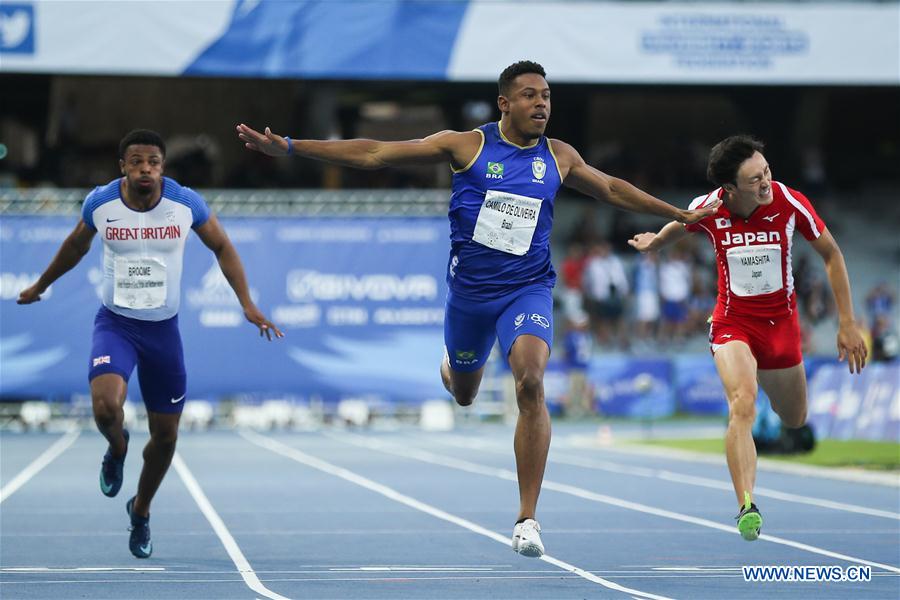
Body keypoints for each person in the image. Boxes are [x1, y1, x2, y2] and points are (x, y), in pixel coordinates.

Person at [236, 60, 718, 557]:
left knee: (531, 382)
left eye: (547, 96)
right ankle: (454, 365)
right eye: (530, 95)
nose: (542, 104)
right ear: (505, 104)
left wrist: (676, 213)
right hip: (470, 296)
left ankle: (527, 518)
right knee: (464, 394)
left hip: (527, 290)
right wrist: (292, 146)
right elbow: (376, 152)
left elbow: (613, 188)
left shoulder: (560, 156)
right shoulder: (467, 146)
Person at [18, 129, 283, 558]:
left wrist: (247, 304)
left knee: (166, 437)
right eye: (137, 162)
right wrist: (40, 285)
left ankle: (140, 510)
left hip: (163, 332)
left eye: (154, 163)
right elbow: (73, 248)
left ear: (163, 167)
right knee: (106, 406)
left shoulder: (185, 204)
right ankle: (117, 447)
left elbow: (222, 245)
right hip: (116, 326)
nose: (146, 170)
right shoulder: (100, 204)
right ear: (122, 166)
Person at [628, 135, 867, 541]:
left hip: (781, 328)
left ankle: (772, 409)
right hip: (732, 323)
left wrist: (847, 322)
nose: (766, 183)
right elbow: (683, 222)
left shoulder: (789, 202)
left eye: (767, 172)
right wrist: (656, 242)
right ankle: (746, 505)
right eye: (755, 179)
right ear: (730, 188)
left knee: (795, 417)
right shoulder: (712, 207)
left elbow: (832, 254)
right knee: (742, 403)